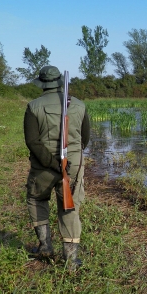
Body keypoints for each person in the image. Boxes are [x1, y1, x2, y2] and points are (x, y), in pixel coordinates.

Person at [23, 65, 90, 271]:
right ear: (60, 81)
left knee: (36, 199)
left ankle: (45, 247)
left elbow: (33, 142)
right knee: (69, 209)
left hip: (42, 167)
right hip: (73, 165)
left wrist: (51, 163)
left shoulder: (33, 106)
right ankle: (71, 261)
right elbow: (84, 138)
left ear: (42, 84)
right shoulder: (79, 105)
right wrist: (66, 164)